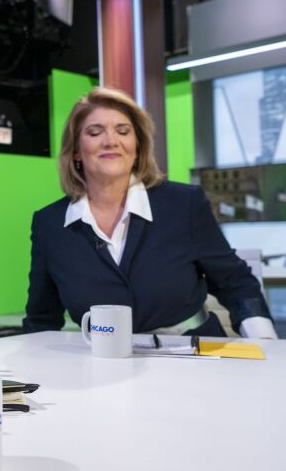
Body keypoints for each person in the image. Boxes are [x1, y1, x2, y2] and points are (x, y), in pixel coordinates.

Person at [22, 86, 276, 339]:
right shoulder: (50, 224)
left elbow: (235, 282)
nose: (111, 140)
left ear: (137, 147)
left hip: (194, 357)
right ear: (76, 150)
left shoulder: (183, 204)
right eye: (95, 132)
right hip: (101, 363)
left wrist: (266, 346)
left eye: (123, 131)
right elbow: (41, 319)